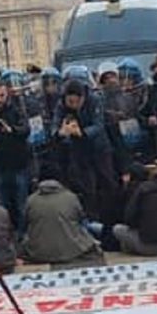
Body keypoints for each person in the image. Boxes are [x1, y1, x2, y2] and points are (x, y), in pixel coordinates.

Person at [53, 78, 119, 224]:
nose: (74, 106)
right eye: (70, 102)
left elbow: (99, 125)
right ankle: (92, 219)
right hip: (78, 151)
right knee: (87, 188)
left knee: (108, 183)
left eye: (77, 102)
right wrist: (60, 133)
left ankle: (112, 218)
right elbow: (55, 126)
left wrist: (82, 132)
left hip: (99, 148)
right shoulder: (61, 105)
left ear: (83, 98)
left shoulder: (94, 100)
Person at [0, 79, 31, 235]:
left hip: (18, 165)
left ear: (6, 94)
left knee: (22, 205)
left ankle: (22, 235)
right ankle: (6, 235)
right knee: (2, 206)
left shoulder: (16, 110)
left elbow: (26, 130)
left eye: (1, 95)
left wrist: (12, 130)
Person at [22, 178, 101, 264]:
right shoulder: (71, 197)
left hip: (38, 252)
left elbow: (25, 221)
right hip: (71, 250)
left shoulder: (31, 200)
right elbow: (80, 217)